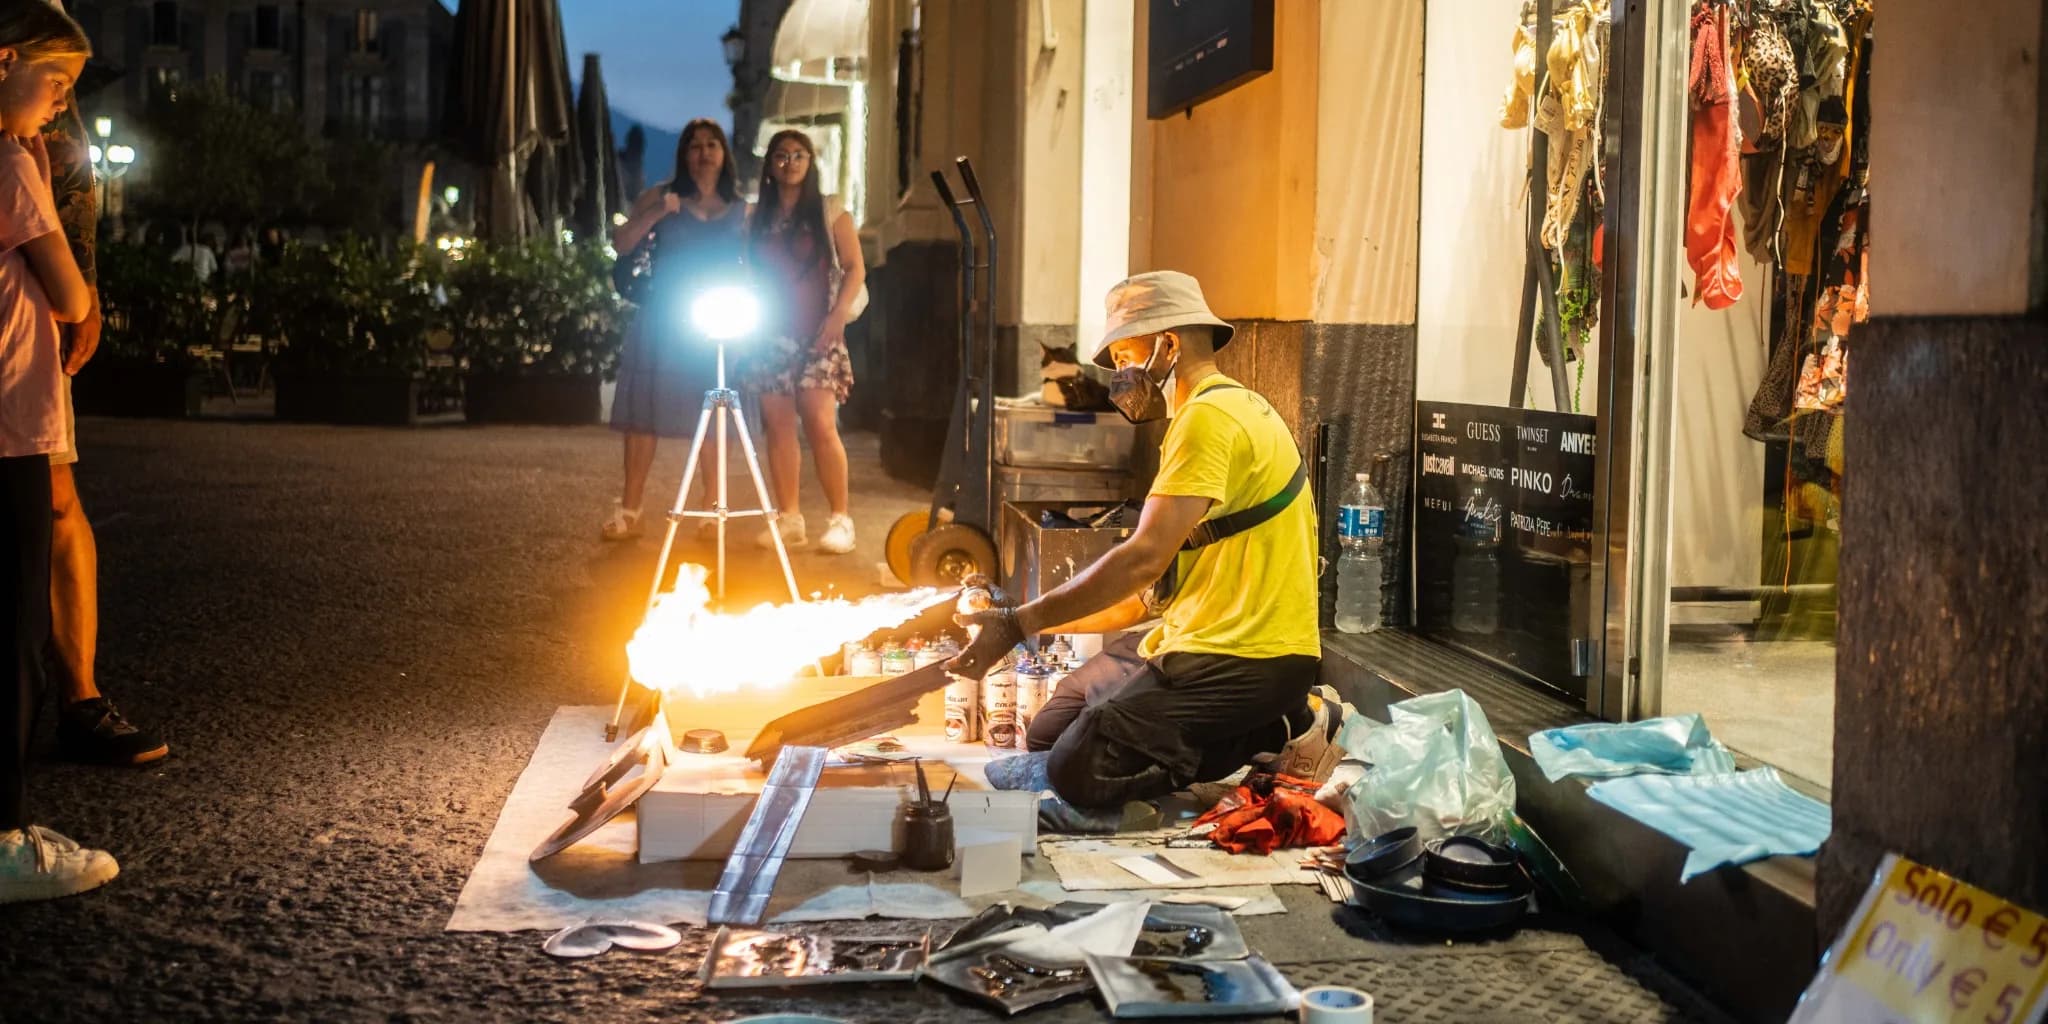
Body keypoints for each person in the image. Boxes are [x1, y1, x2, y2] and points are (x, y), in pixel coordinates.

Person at [947, 271, 1342, 829]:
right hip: (1192, 634)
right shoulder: (1220, 410)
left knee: (1075, 766)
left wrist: (1017, 622)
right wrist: (1038, 623)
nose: (1120, 376)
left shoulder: (1209, 418)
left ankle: (1277, 728)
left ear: (1169, 346)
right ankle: (1209, 731)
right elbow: (1152, 588)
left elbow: (1141, 558)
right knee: (1049, 729)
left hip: (1249, 658)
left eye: (1128, 355)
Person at [0, 0, 121, 903]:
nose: (61, 106)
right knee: (11, 628)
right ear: (6, 60)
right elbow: (72, 293)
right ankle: (6, 838)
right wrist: (33, 169)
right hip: (13, 419)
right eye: (56, 82)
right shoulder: (8, 162)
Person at [40, 33, 166, 766]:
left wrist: (82, 283)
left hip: (27, 315)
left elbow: (70, 164)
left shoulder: (37, 109)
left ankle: (80, 698)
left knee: (55, 494)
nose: (64, 94)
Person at [601, 119, 749, 541]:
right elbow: (623, 243)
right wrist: (658, 212)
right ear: (684, 154)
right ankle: (630, 507)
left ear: (725, 154)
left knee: (716, 413)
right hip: (664, 316)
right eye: (695, 145)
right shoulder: (661, 198)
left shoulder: (742, 209)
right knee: (643, 415)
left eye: (712, 144)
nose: (704, 152)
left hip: (721, 320)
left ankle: (710, 507)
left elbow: (756, 261)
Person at [742, 129, 863, 555]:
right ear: (769, 165)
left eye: (798, 155)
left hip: (819, 330)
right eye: (781, 155)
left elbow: (854, 268)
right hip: (769, 332)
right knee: (777, 426)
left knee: (818, 421)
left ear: (811, 162)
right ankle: (789, 517)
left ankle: (840, 519)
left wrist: (837, 318)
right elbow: (747, 271)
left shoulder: (830, 212)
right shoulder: (756, 216)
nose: (789, 162)